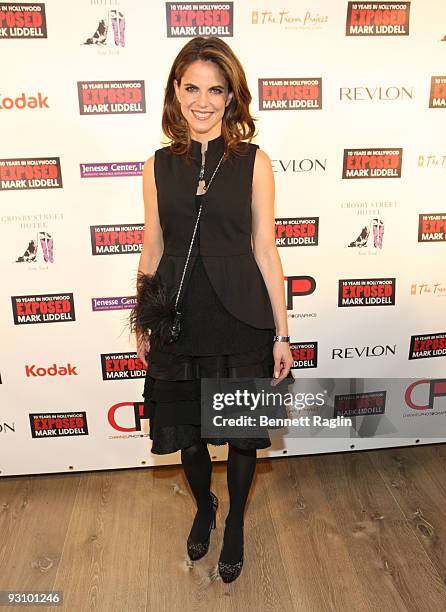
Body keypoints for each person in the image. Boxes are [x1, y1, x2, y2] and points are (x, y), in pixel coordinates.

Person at [132, 36, 294, 583]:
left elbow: (265, 248)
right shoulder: (157, 166)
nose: (203, 102)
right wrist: (143, 318)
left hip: (240, 315)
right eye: (192, 88)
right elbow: (152, 246)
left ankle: (237, 525)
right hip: (179, 316)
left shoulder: (254, 161)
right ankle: (205, 505)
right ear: (176, 93)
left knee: (243, 435)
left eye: (215, 90)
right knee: (188, 434)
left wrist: (282, 333)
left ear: (231, 96)